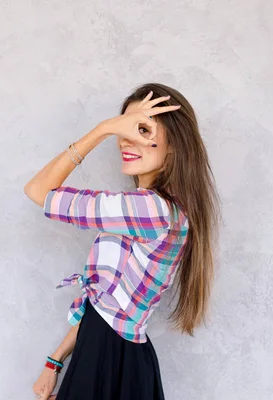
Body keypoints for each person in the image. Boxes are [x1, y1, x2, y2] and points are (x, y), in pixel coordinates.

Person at [24, 83, 220, 400]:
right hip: (111, 355)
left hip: (107, 359)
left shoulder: (150, 210)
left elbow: (38, 190)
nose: (125, 139)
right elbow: (108, 305)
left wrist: (102, 129)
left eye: (141, 129)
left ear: (173, 145)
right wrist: (55, 361)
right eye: (123, 128)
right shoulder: (155, 209)